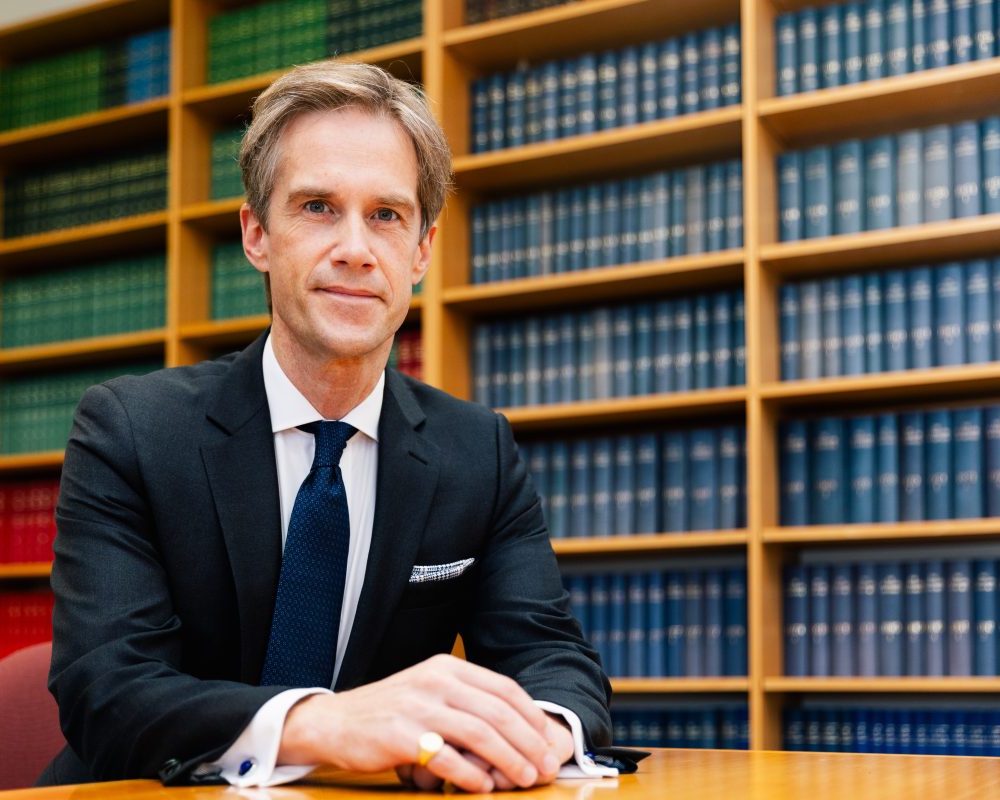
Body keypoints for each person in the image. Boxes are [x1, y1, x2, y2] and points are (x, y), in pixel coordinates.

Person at [38, 60, 612, 792]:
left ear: (421, 252)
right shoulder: (131, 431)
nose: (355, 247)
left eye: (386, 215)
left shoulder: (478, 451)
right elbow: (107, 692)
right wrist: (326, 724)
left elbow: (556, 662)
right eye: (316, 207)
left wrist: (525, 737)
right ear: (257, 235)